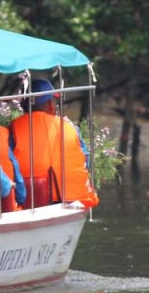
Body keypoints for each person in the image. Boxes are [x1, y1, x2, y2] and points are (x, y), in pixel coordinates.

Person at [10, 79, 99, 208]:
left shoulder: (13, 129)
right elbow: (85, 160)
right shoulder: (69, 128)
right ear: (50, 104)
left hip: (30, 200)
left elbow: (7, 164)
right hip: (70, 199)